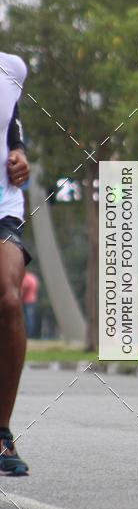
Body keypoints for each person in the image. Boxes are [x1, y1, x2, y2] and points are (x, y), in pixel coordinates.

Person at [0, 54, 31, 476]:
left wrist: (20, 154)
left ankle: (1, 433)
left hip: (3, 204)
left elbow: (12, 126)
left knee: (8, 300)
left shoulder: (12, 68)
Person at [21, 269, 39, 338]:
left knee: (27, 318)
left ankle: (27, 335)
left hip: (26, 301)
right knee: (30, 318)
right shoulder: (33, 278)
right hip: (33, 300)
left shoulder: (26, 278)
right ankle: (29, 335)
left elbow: (25, 288)